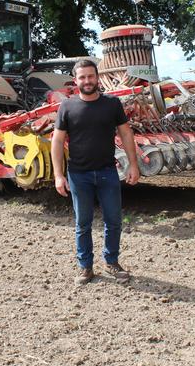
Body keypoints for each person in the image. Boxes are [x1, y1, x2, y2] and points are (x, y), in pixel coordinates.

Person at [51, 59, 140, 286]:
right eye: (82, 77)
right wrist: (58, 175)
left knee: (114, 220)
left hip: (107, 172)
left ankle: (112, 261)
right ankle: (85, 267)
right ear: (75, 80)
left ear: (97, 77)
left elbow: (126, 134)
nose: (87, 81)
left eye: (90, 76)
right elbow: (57, 141)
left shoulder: (112, 104)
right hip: (79, 175)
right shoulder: (67, 107)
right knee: (83, 223)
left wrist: (133, 164)